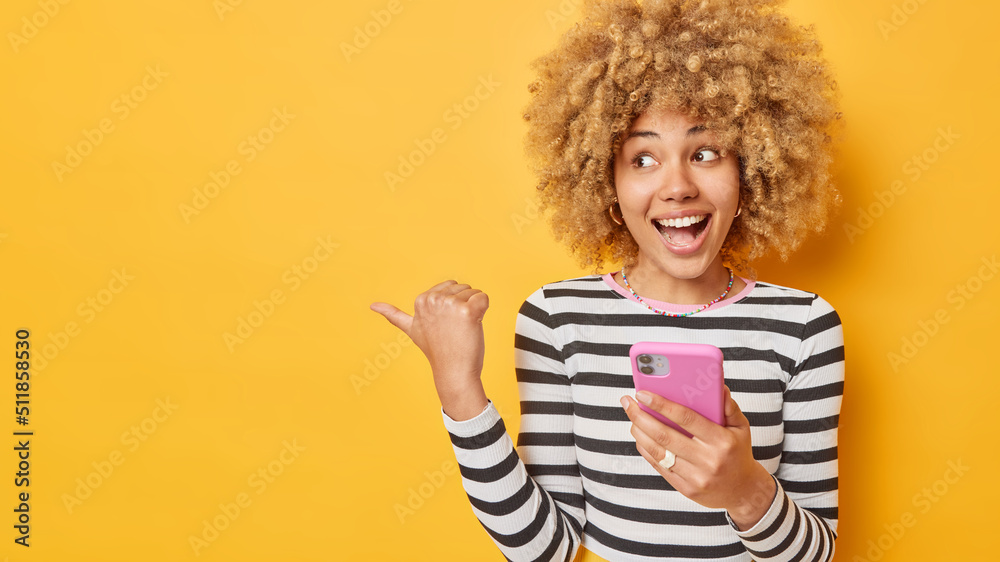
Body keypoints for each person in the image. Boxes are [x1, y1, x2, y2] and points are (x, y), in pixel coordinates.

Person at [370, 0, 844, 560]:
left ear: (751, 172)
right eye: (643, 158)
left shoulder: (806, 328)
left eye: (707, 152)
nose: (677, 186)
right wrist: (459, 390)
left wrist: (745, 493)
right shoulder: (556, 320)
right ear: (606, 184)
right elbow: (542, 550)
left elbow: (816, 554)